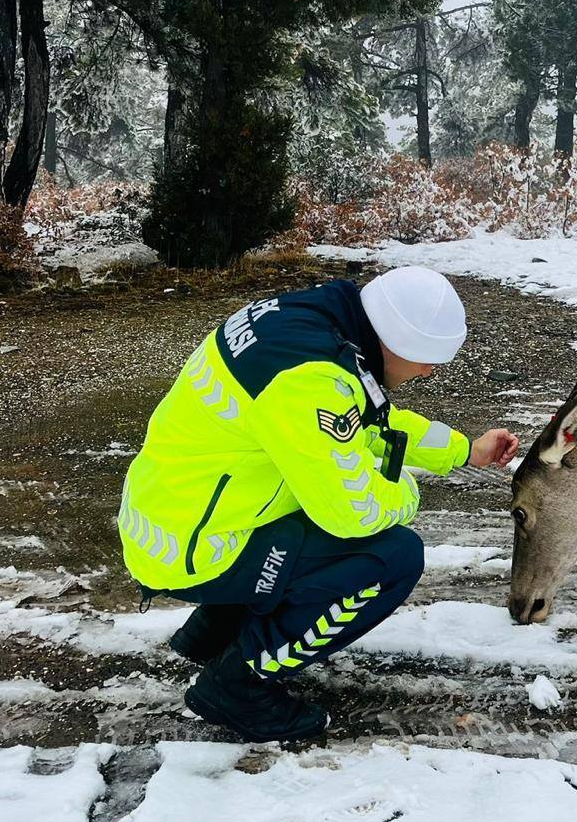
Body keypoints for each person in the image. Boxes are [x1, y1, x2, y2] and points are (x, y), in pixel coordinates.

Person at [118, 267, 518, 742]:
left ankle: (213, 633)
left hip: (176, 515)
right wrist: (407, 493)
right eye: (427, 360)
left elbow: (371, 421)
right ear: (399, 342)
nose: (430, 372)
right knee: (390, 557)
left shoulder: (311, 327)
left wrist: (464, 450)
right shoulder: (308, 382)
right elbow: (354, 512)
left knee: (314, 495)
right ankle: (239, 684)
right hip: (197, 548)